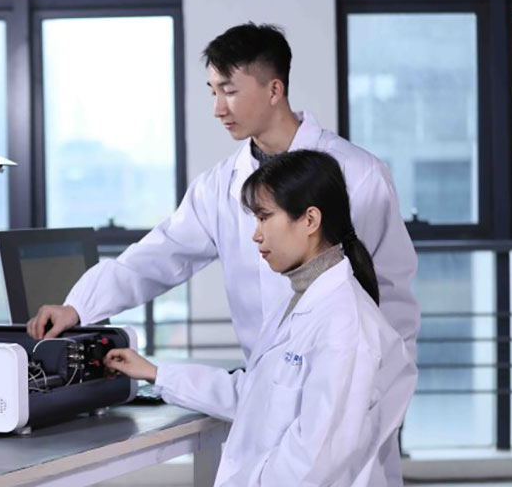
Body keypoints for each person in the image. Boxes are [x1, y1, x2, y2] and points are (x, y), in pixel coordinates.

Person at [105, 150, 417, 486]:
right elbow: (256, 395)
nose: (256, 234)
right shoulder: (299, 301)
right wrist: (155, 373)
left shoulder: (345, 324)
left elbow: (316, 459)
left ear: (310, 220)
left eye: (264, 217)